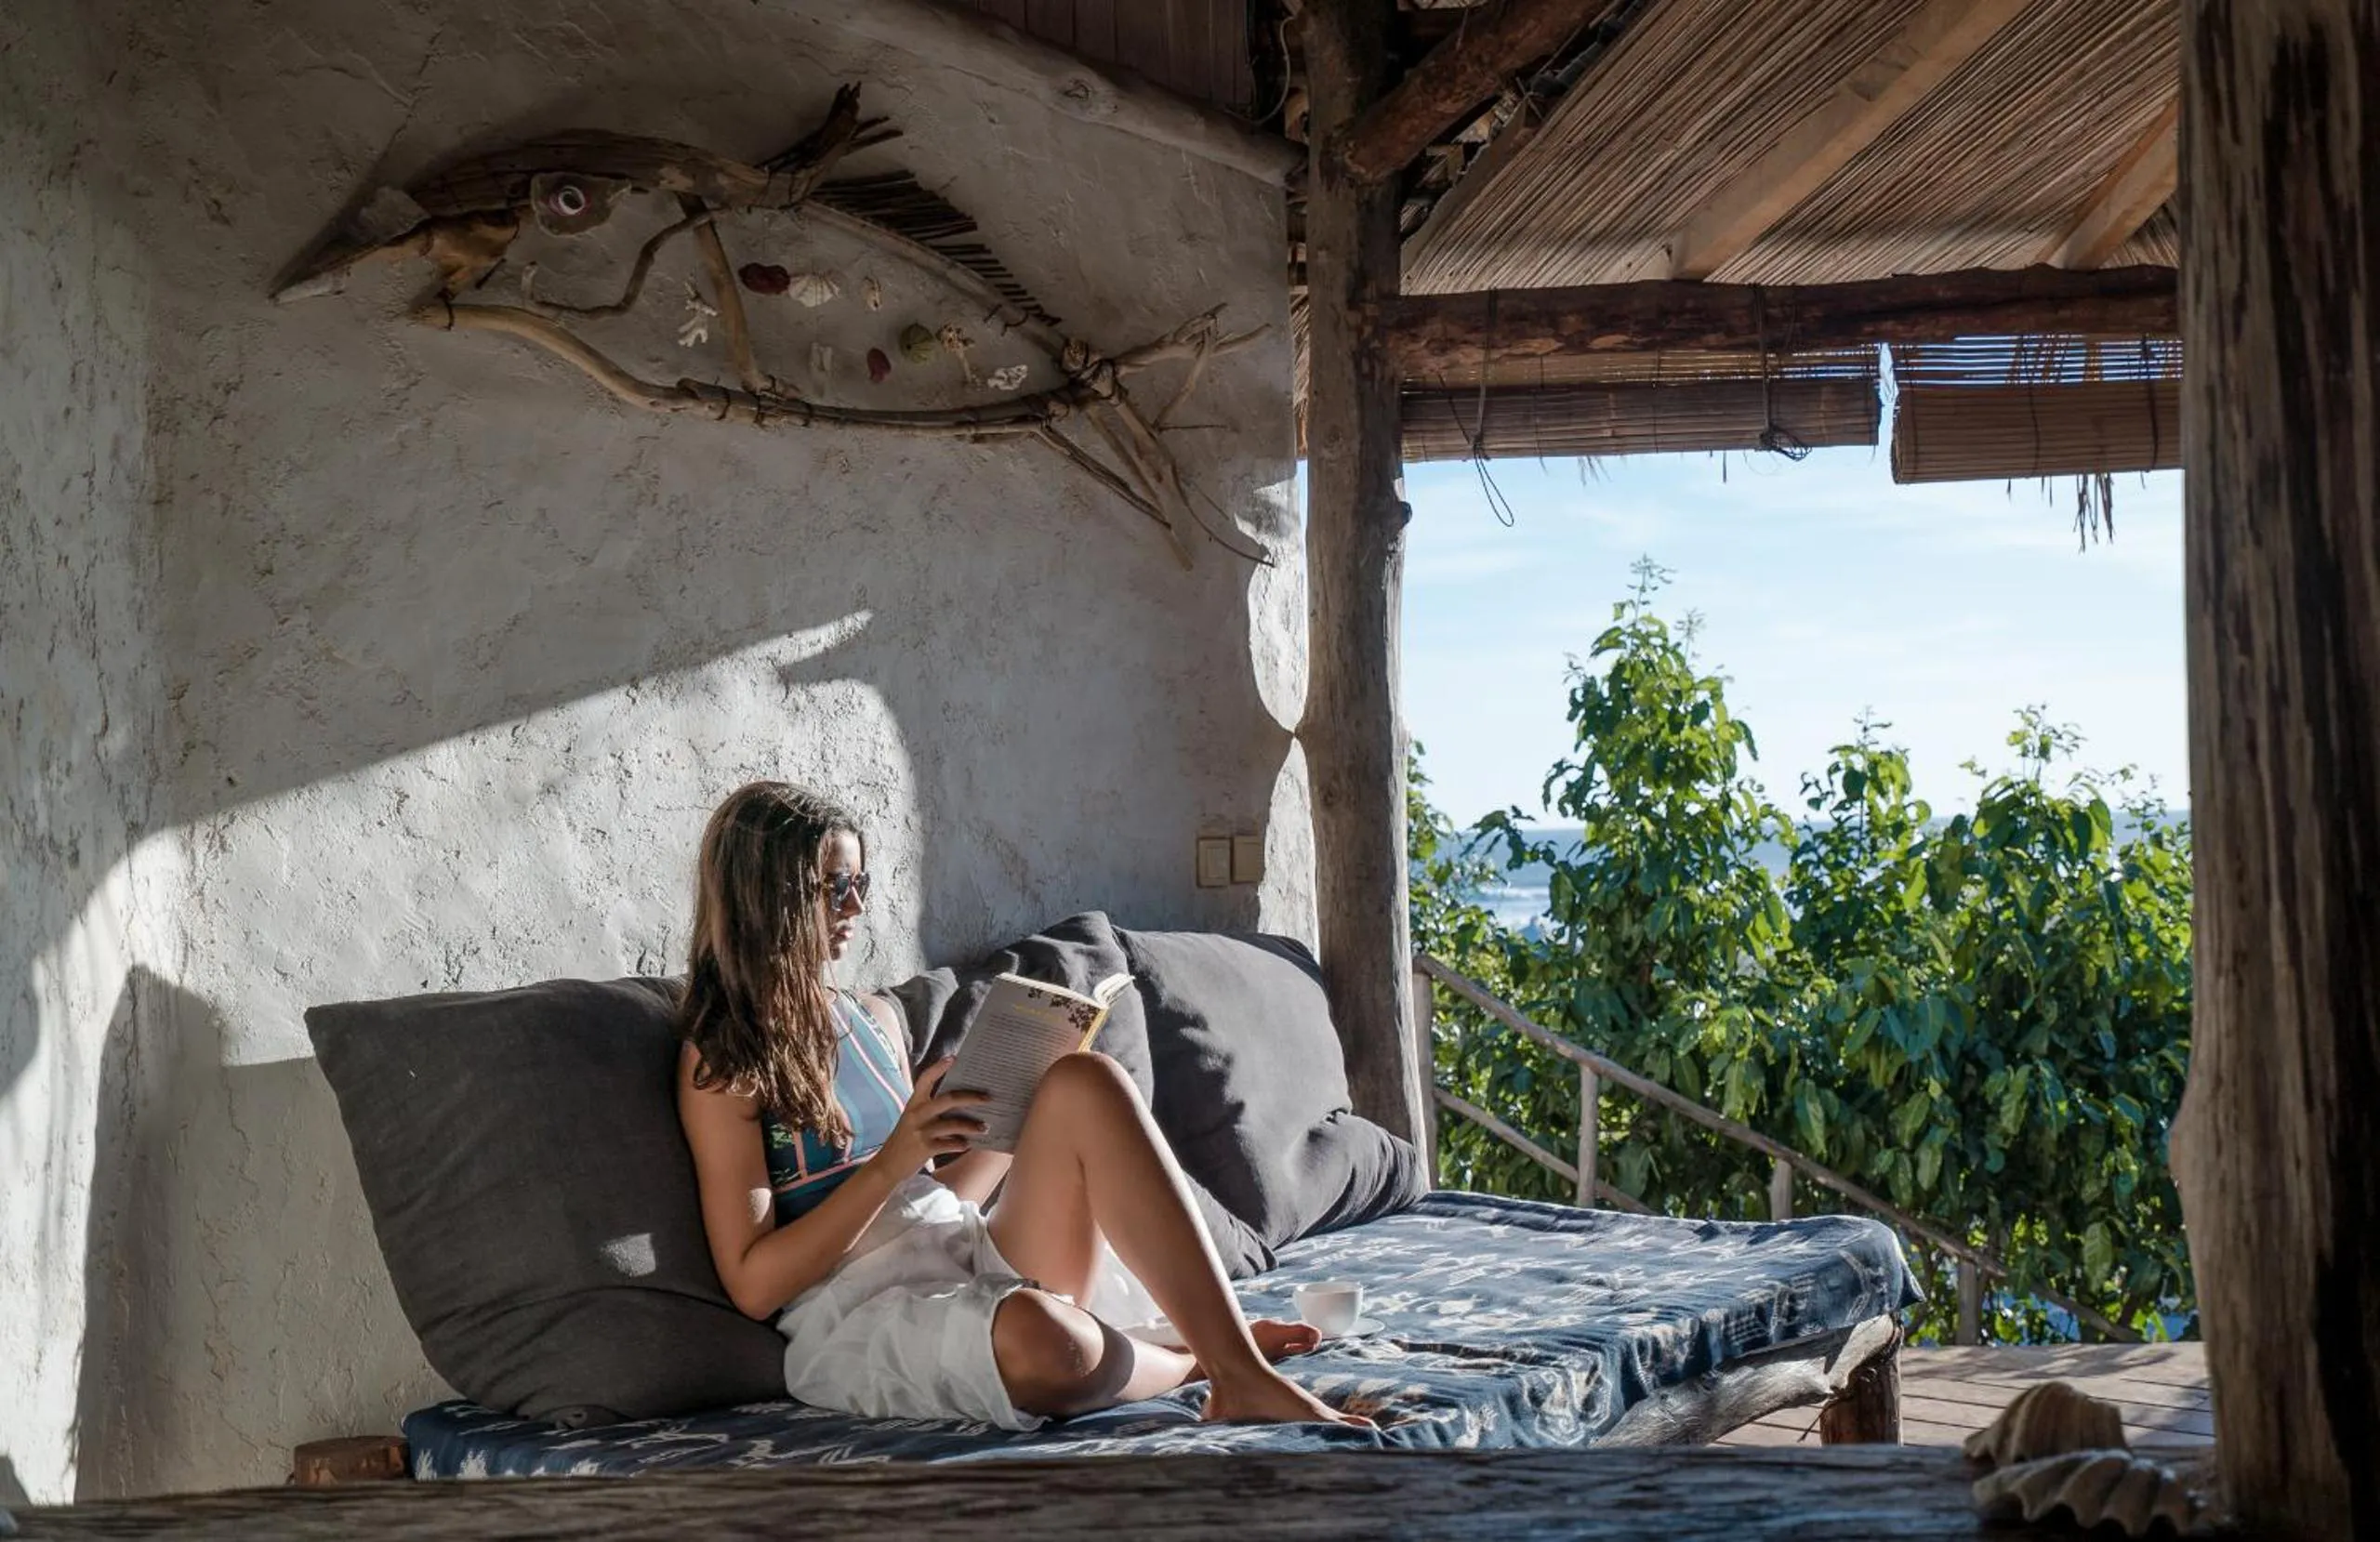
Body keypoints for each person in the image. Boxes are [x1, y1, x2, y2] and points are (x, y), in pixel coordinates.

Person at [674, 781, 1370, 1431]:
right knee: (1043, 1339)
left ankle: (1237, 1369)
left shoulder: (869, 1018)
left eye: (861, 882)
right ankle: (1200, 1359)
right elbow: (753, 1285)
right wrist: (897, 1159)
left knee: (1084, 1080)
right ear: (771, 896)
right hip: (862, 1310)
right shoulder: (725, 1059)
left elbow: (939, 1197)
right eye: (835, 886)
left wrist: (1013, 1107)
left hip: (963, 1244)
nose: (856, 906)